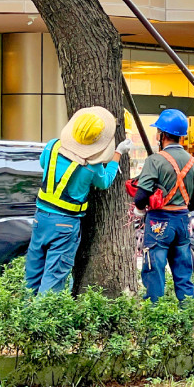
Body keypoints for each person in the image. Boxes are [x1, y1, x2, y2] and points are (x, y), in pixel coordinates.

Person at [25, 106, 133, 294]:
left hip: (40, 219)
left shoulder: (52, 146)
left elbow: (43, 163)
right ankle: (44, 320)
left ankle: (27, 317)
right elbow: (105, 181)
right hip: (65, 225)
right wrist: (117, 154)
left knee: (33, 275)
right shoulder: (92, 165)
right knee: (53, 279)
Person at [132, 108, 194, 303]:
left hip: (159, 222)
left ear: (162, 135)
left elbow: (140, 197)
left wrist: (139, 212)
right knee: (183, 275)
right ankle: (187, 323)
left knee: (154, 272)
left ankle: (155, 324)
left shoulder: (155, 161)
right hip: (182, 222)